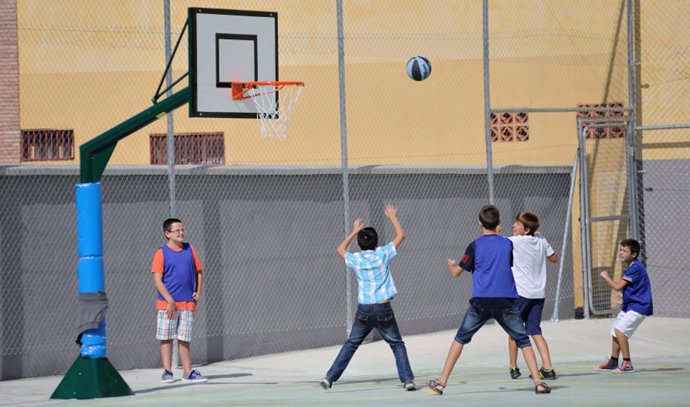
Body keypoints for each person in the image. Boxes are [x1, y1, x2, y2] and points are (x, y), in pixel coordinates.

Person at [427, 205, 551, 395]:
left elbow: (456, 273)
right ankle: (538, 383)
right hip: (505, 301)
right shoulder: (508, 244)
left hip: (481, 301)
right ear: (498, 224)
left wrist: (452, 265)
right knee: (523, 340)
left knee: (460, 338)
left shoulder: (474, 245)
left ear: (479, 223)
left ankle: (442, 383)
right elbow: (506, 260)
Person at [320, 204, 416, 391]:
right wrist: (392, 217)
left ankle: (329, 377)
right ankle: (408, 380)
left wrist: (353, 231)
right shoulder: (382, 254)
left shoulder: (356, 259)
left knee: (351, 343)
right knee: (396, 344)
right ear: (377, 243)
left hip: (364, 309)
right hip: (383, 307)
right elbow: (401, 235)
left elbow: (340, 249)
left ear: (359, 244)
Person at [151, 218, 207, 383]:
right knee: (166, 337)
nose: (181, 233)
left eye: (182, 230)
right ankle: (167, 371)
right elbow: (157, 280)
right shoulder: (161, 253)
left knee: (184, 338)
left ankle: (188, 372)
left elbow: (199, 272)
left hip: (187, 303)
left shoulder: (190, 249)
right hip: (167, 305)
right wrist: (170, 301)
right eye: (177, 231)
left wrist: (198, 291)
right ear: (167, 234)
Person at [506, 212, 558, 381]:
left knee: (513, 329)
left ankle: (513, 367)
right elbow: (554, 258)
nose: (514, 225)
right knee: (535, 330)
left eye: (517, 224)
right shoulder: (541, 239)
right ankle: (548, 368)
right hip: (538, 294)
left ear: (526, 229)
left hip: (521, 293)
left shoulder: (514, 242)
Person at [597, 239, 653, 373]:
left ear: (633, 254)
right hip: (630, 305)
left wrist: (606, 276)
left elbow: (617, 287)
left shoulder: (635, 268)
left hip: (639, 307)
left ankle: (627, 363)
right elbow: (637, 288)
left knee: (620, 331)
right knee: (614, 330)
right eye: (620, 250)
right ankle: (613, 361)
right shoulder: (631, 266)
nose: (621, 253)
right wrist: (624, 298)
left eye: (624, 251)